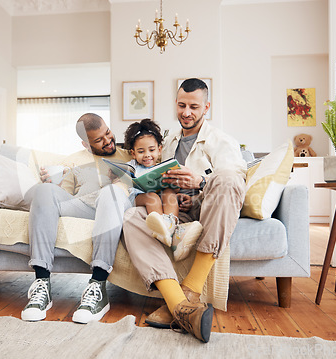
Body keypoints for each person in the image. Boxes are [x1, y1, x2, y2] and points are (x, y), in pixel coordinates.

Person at [122, 78, 247, 343]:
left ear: (206, 107)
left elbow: (235, 183)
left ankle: (189, 290)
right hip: (173, 210)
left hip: (206, 211)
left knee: (227, 179)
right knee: (133, 216)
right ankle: (180, 305)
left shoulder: (222, 141)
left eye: (193, 106)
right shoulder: (167, 140)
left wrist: (200, 184)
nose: (186, 112)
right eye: (181, 105)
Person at [21, 113, 132, 324]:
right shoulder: (72, 161)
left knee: (110, 193)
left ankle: (98, 284)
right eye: (99, 140)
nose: (108, 141)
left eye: (107, 133)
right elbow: (64, 196)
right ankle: (41, 284)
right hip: (84, 206)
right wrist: (52, 183)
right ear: (86, 144)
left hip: (114, 205)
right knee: (44, 190)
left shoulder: (130, 155)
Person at [121, 118, 202, 261]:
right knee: (152, 196)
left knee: (169, 192)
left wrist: (176, 193)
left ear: (159, 150)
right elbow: (122, 179)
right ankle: (160, 227)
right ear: (133, 153)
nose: (147, 155)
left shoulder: (163, 166)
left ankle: (171, 226)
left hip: (159, 195)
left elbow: (174, 187)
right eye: (141, 151)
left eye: (151, 150)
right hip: (139, 197)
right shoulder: (132, 165)